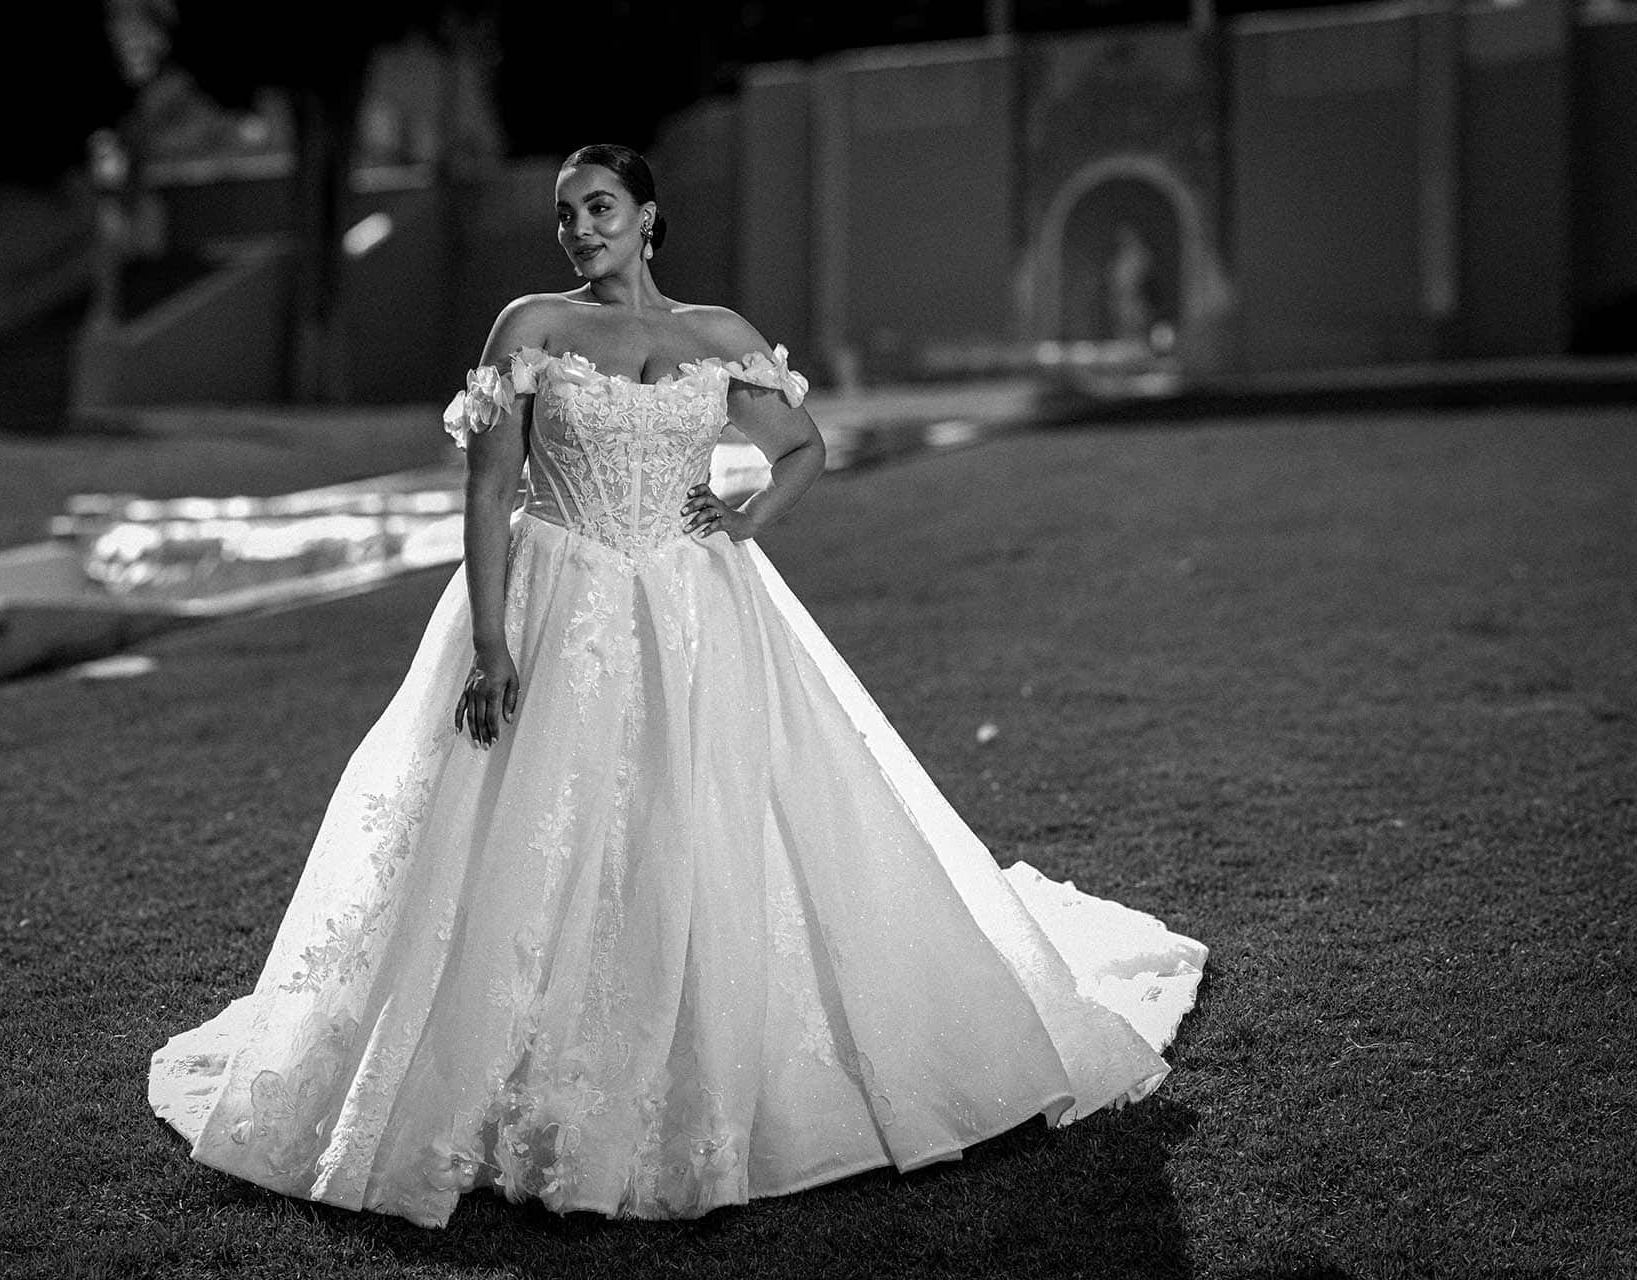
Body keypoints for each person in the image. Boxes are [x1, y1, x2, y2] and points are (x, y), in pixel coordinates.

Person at [149, 143, 1206, 1228]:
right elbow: (490, 488)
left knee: (701, 824)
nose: (579, 229)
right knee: (537, 835)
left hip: (697, 611)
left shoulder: (718, 335)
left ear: (647, 216)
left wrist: (744, 520)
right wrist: (490, 643)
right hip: (557, 601)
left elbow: (802, 446)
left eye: (600, 207)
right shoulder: (532, 327)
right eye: (565, 214)